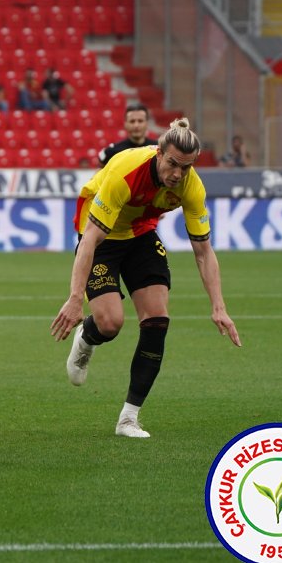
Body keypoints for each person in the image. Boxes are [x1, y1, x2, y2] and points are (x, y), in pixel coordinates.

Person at [50, 118, 242, 439]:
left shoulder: (191, 186)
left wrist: (219, 307)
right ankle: (87, 337)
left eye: (186, 167)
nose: (177, 174)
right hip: (102, 236)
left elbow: (203, 252)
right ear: (158, 153)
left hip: (140, 234)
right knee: (110, 323)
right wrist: (73, 298)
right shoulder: (125, 170)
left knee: (157, 320)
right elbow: (90, 240)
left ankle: (128, 418)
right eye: (172, 164)